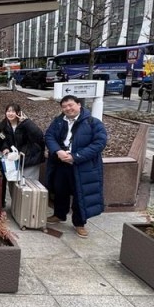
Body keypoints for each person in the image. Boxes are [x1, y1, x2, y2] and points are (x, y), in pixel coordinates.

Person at [45, 95, 108, 238]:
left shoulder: (93, 122)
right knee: (60, 190)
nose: (68, 108)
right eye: (64, 106)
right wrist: (58, 151)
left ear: (79, 105)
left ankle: (79, 223)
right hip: (61, 162)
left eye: (70, 105)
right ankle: (59, 214)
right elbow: (49, 136)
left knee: (80, 193)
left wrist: (76, 157)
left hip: (82, 165)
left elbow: (99, 143)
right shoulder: (58, 121)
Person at [0, 103, 45, 180]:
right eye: (8, 111)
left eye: (13, 111)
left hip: (29, 158)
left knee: (28, 183)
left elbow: (39, 135)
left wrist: (26, 121)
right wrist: (5, 147)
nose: (10, 113)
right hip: (14, 159)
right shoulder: (3, 125)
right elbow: (2, 139)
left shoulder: (25, 124)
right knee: (15, 182)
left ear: (18, 113)